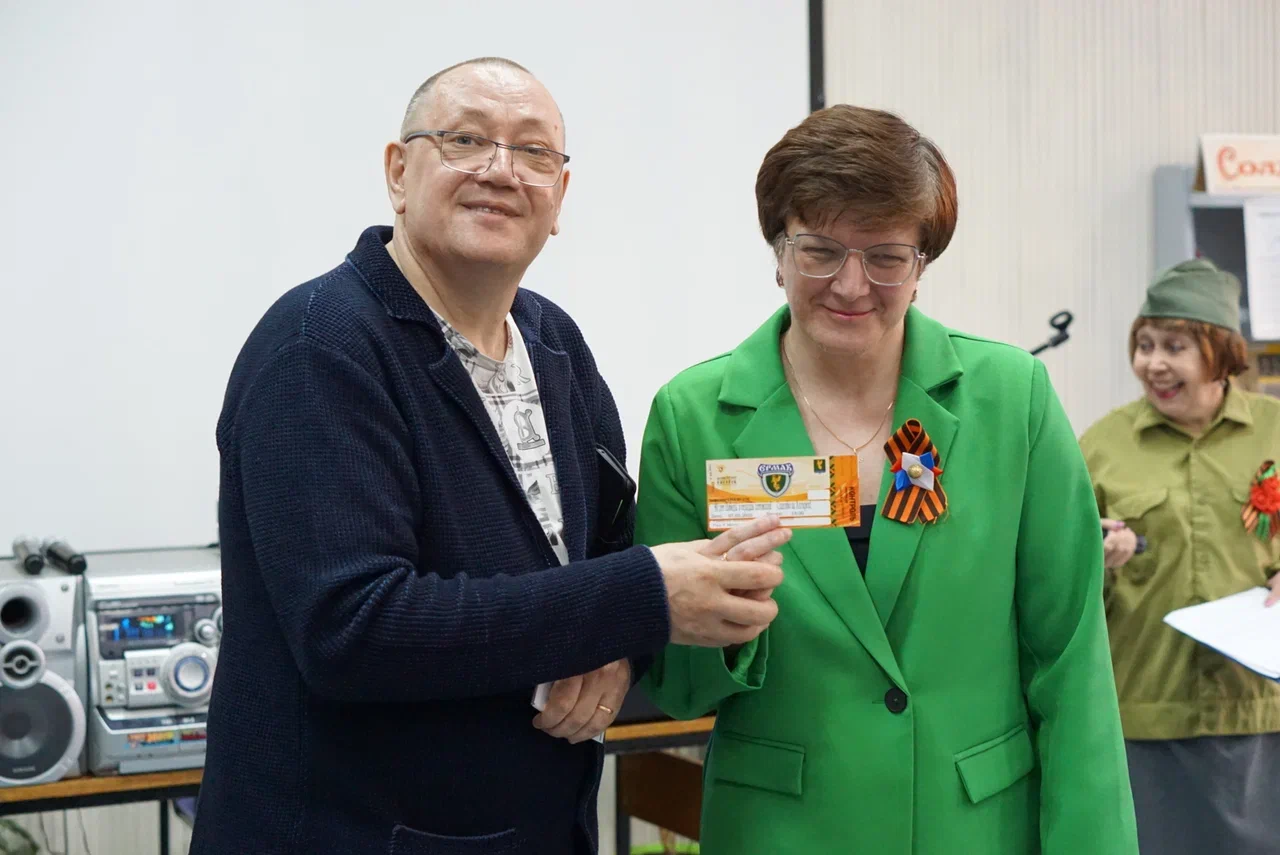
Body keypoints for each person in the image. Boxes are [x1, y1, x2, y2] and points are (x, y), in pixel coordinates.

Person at [190, 57, 788, 855]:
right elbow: (355, 628)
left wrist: (618, 648)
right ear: (398, 172)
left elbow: (609, 542)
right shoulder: (319, 346)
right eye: (466, 140)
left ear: (559, 197)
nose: (501, 171)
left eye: (533, 151)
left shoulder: (553, 340)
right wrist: (637, 601)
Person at [634, 105, 1139, 853]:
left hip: (973, 826)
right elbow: (674, 684)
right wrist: (723, 630)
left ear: (921, 264)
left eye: (886, 257)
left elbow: (1070, 660)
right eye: (820, 250)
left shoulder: (1010, 400)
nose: (851, 284)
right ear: (778, 250)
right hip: (783, 832)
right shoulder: (693, 416)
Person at [1079, 258, 1280, 855]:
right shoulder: (1102, 445)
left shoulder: (1274, 430)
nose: (1154, 363)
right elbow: (1055, 579)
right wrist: (1097, 556)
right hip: (1145, 710)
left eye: (1175, 346)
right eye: (1144, 345)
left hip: (1261, 711)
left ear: (1221, 354)